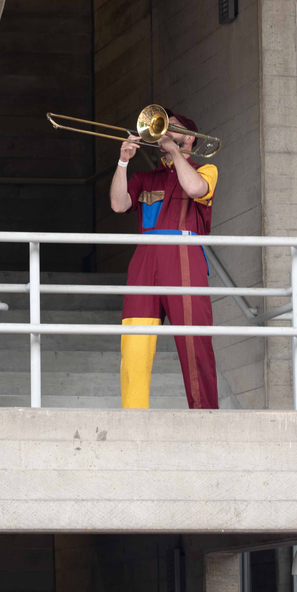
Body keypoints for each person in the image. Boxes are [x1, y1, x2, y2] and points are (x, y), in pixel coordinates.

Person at [110, 112, 219, 410]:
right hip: (145, 259)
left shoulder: (206, 169)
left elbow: (196, 189)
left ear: (191, 138)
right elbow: (119, 205)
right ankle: (132, 416)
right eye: (164, 127)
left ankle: (205, 415)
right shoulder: (145, 178)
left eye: (174, 128)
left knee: (194, 343)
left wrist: (174, 151)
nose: (166, 132)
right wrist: (123, 161)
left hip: (184, 255)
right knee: (134, 346)